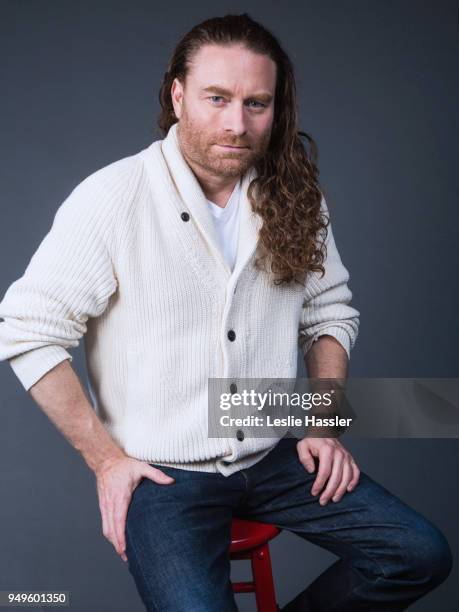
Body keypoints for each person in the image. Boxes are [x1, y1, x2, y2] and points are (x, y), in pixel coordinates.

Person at [0, 12, 452, 612]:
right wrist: (105, 461)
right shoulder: (111, 198)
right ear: (178, 95)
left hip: (268, 450)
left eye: (256, 103)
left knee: (420, 554)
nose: (237, 124)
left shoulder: (296, 195)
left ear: (276, 108)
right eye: (217, 98)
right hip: (164, 472)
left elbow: (329, 312)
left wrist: (321, 424)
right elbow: (27, 331)